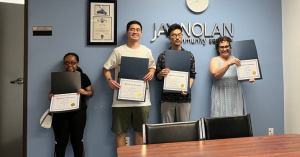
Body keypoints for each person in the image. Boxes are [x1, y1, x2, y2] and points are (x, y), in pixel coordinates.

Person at [102, 20, 156, 148]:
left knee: (140, 132)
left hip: (142, 101)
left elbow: (152, 67)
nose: (135, 32)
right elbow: (105, 69)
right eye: (132, 29)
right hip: (121, 101)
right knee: (120, 133)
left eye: (137, 30)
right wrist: (110, 81)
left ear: (141, 33)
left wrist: (151, 72)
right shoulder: (118, 51)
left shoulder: (146, 51)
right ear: (127, 32)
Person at [48, 53, 93, 157]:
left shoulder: (83, 77)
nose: (69, 65)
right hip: (60, 114)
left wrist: (84, 92)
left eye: (73, 62)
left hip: (78, 113)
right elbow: (50, 95)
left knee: (77, 141)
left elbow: (90, 92)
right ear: (64, 64)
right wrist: (51, 96)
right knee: (60, 142)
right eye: (67, 63)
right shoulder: (59, 77)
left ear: (77, 63)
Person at [156, 23, 196, 123]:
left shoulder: (189, 55)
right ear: (169, 38)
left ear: (182, 36)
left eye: (179, 34)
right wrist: (161, 73)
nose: (177, 37)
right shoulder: (163, 56)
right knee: (166, 130)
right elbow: (157, 77)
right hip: (167, 99)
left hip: (184, 99)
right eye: (174, 35)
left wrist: (187, 88)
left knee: (185, 130)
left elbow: (192, 76)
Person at [209, 36, 254, 117]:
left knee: (237, 121)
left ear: (230, 47)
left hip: (235, 93)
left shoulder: (237, 59)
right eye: (221, 47)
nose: (224, 49)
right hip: (220, 93)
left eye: (227, 46)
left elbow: (244, 73)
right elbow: (215, 74)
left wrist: (249, 77)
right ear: (218, 49)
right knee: (220, 122)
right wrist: (228, 63)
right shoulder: (214, 60)